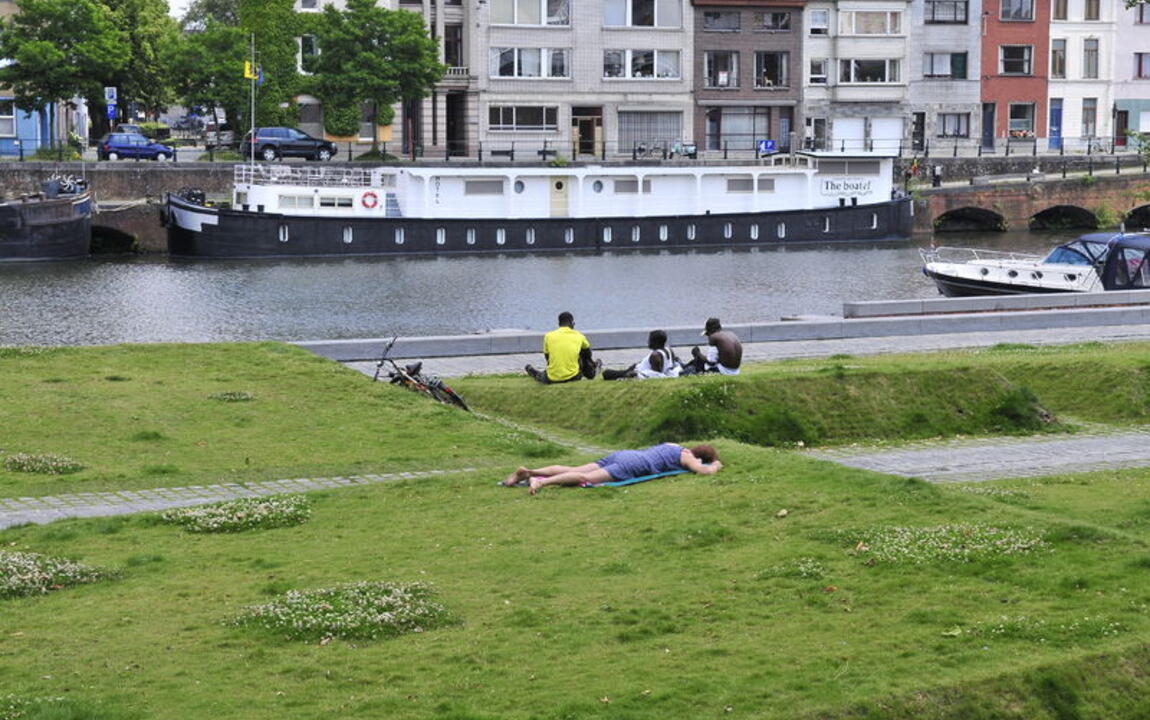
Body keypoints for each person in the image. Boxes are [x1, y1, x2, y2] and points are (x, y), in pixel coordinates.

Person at [502, 443, 722, 494]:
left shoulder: (674, 446)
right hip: (635, 464)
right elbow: (702, 471)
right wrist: (714, 466)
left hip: (626, 454)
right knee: (583, 477)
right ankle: (542, 481)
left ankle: (530, 471)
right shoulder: (687, 457)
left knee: (574, 467)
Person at [525, 311, 600, 383]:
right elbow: (588, 355)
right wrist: (591, 363)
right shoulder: (579, 336)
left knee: (541, 376)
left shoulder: (548, 336)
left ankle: (531, 370)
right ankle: (591, 372)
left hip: (552, 378)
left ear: (559, 324)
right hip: (573, 377)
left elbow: (548, 358)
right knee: (583, 352)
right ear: (572, 323)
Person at [601, 329, 681, 380]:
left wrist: (636, 374)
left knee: (606, 373)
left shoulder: (655, 356)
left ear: (656, 342)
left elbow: (655, 374)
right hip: (636, 368)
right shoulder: (669, 349)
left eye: (650, 340)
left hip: (634, 372)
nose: (648, 342)